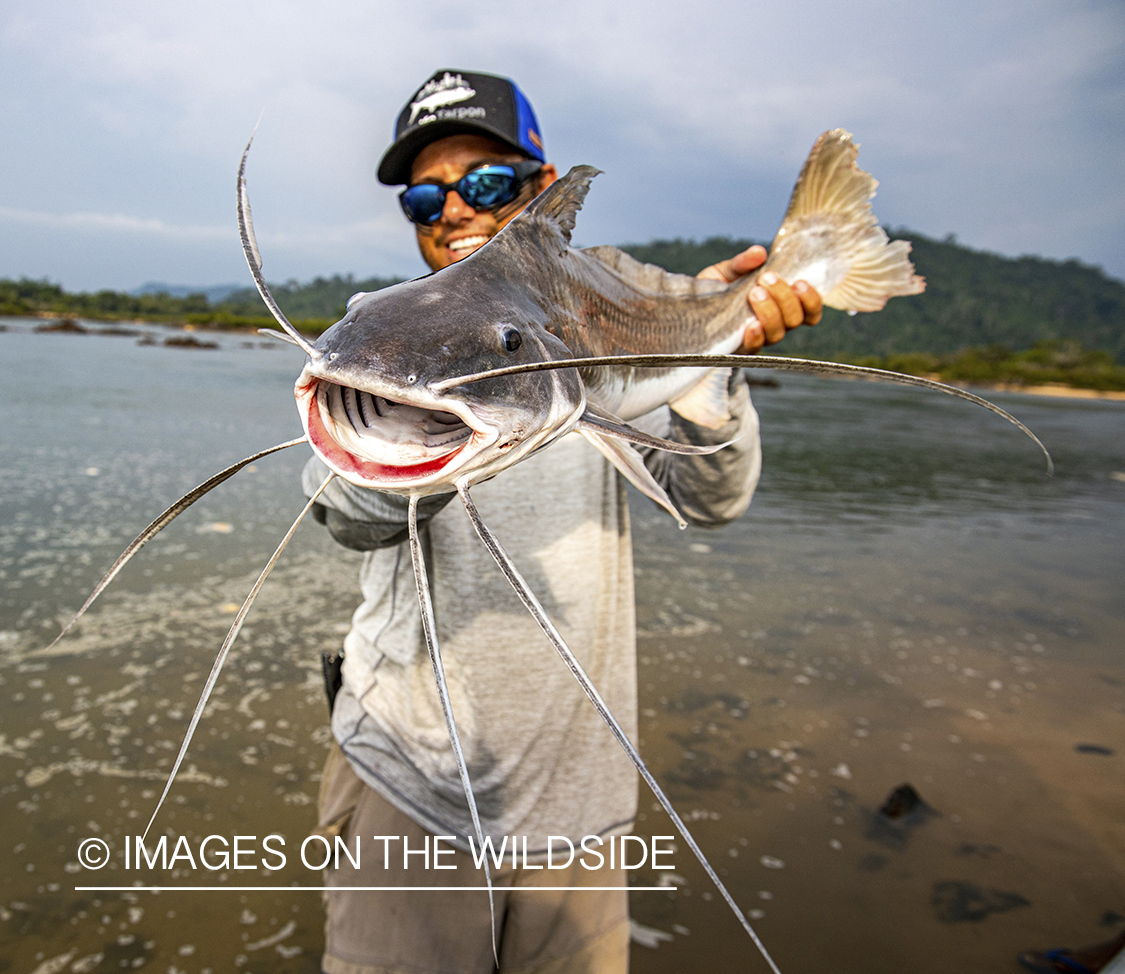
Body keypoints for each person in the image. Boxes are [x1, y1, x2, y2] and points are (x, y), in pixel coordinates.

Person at [303, 69, 822, 974]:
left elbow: (711, 501)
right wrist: (414, 418)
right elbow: (347, 516)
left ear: (545, 192)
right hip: (407, 778)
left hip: (581, 798)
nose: (454, 208)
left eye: (488, 183)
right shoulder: (384, 339)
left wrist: (713, 358)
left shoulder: (607, 321)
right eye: (426, 193)